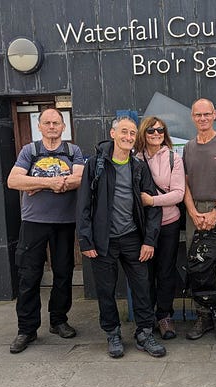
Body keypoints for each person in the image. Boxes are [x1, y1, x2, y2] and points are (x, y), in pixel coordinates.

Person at [76, 116, 166, 358]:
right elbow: (83, 205)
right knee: (105, 290)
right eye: (124, 132)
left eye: (132, 133)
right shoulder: (95, 165)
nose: (128, 137)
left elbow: (153, 207)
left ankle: (145, 333)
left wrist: (149, 240)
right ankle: (112, 333)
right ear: (113, 133)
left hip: (132, 238)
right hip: (102, 240)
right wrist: (85, 240)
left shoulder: (138, 167)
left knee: (142, 287)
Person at [6, 108, 84, 354]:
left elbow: (79, 179)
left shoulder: (73, 151)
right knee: (29, 275)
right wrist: (51, 182)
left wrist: (35, 184)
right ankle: (26, 329)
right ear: (39, 126)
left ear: (63, 127)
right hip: (33, 222)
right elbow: (14, 181)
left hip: (64, 222)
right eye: (47, 123)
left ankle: (59, 320)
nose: (52, 127)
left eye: (56, 123)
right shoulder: (29, 151)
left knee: (63, 272)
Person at [182, 98, 216, 342]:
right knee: (197, 264)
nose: (202, 118)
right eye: (198, 115)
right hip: (193, 210)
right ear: (192, 117)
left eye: (207, 114)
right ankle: (203, 315)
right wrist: (193, 212)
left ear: (214, 115)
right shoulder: (188, 147)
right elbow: (182, 182)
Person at [134, 116, 185, 340]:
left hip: (168, 223)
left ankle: (164, 315)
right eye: (151, 131)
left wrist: (151, 201)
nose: (156, 134)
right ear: (143, 134)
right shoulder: (134, 159)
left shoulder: (174, 158)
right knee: (145, 273)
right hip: (142, 226)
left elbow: (178, 194)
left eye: (160, 130)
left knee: (165, 271)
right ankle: (146, 317)